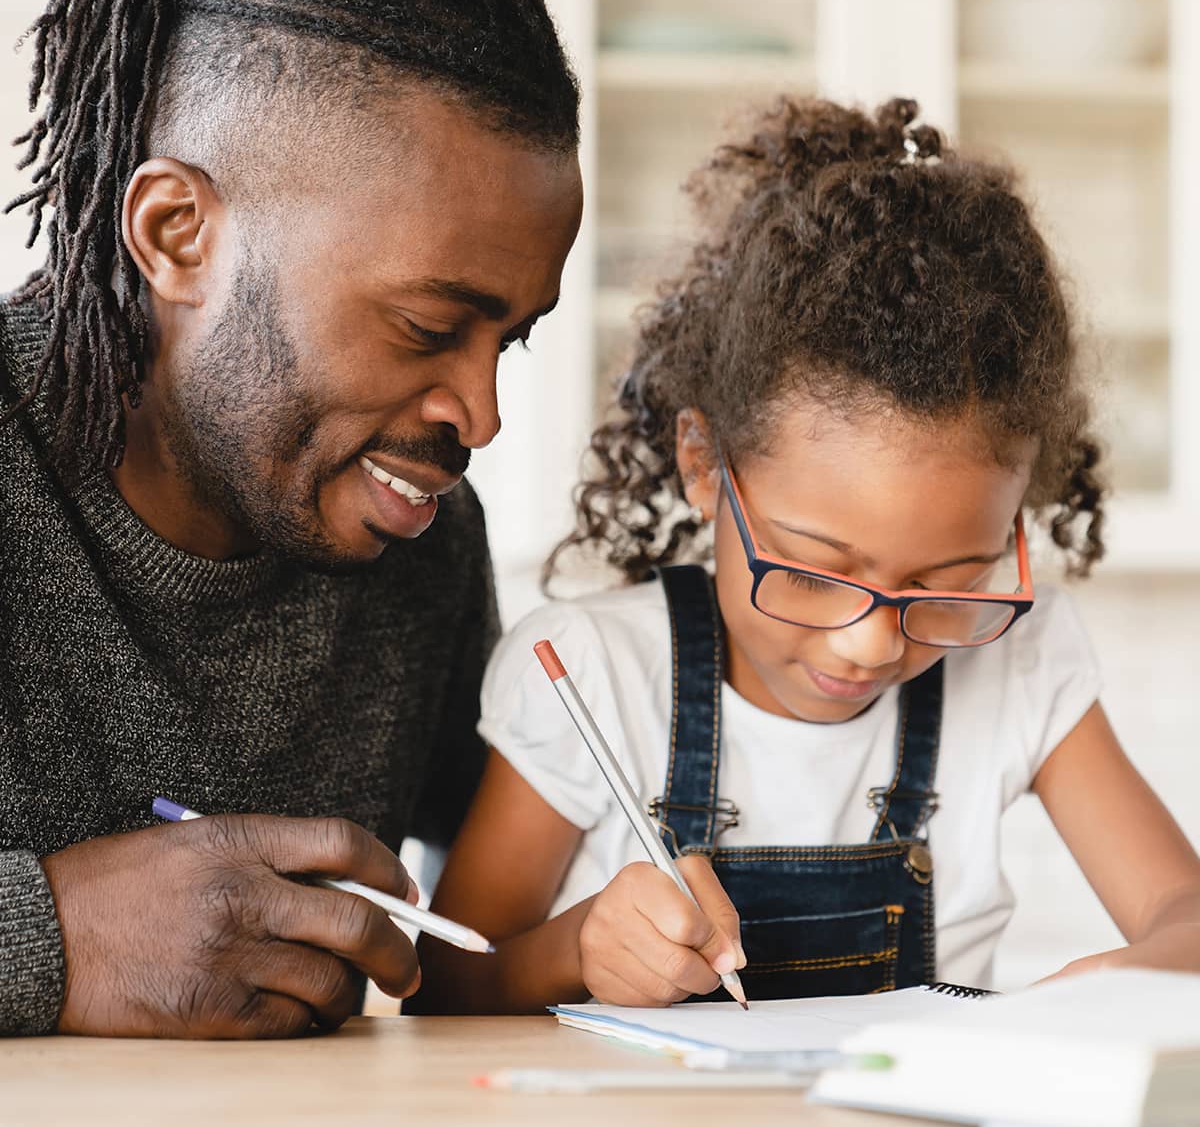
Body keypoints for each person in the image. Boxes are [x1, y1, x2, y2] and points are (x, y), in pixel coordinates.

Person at [411, 98, 1200, 1014]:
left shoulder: (1023, 665)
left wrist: (1159, 964)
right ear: (704, 467)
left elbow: (1183, 912)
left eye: (952, 582)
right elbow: (445, 989)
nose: (870, 646)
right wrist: (575, 949)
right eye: (815, 570)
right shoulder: (594, 674)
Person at [0, 0, 582, 1039]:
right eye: (427, 326)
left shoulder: (426, 544)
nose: (480, 413)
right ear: (179, 233)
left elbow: (493, 898)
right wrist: (57, 937)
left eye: (513, 337)